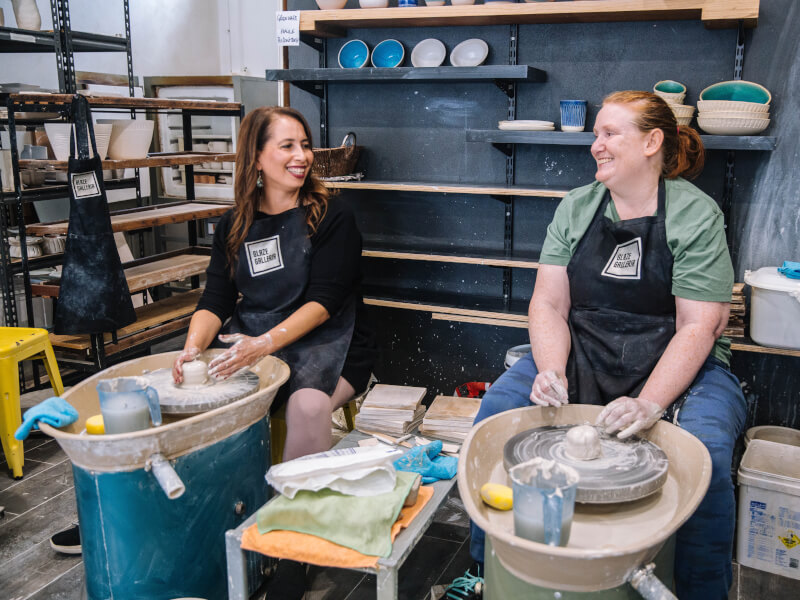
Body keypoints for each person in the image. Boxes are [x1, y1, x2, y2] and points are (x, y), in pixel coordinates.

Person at [453, 91, 746, 600]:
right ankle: (485, 566)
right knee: (496, 412)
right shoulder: (577, 206)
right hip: (585, 347)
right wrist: (549, 369)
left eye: (611, 134)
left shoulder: (696, 215)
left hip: (678, 361)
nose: (596, 145)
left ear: (653, 141)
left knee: (709, 456)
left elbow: (700, 326)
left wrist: (652, 402)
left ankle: (701, 590)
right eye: (596, 133)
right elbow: (547, 305)